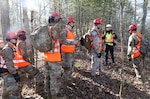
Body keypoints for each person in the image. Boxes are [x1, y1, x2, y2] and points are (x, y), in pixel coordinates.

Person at [16, 29, 44, 97]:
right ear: (21, 36)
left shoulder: (17, 42)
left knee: (21, 81)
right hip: (24, 64)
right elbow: (24, 54)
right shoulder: (22, 43)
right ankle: (39, 91)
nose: (25, 36)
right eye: (24, 35)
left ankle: (18, 95)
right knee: (38, 73)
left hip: (19, 66)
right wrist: (29, 62)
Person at [44, 12, 66, 99]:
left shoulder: (46, 29)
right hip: (54, 59)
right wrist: (60, 19)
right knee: (55, 79)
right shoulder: (54, 29)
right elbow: (63, 22)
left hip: (46, 58)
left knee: (48, 78)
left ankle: (48, 95)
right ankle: (54, 96)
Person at [0, 32, 20, 99]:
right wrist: (15, 74)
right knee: (14, 92)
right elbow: (9, 63)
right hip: (7, 72)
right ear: (10, 40)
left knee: (6, 92)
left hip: (7, 72)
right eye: (15, 39)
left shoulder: (11, 48)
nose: (16, 41)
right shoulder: (8, 49)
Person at [60, 16, 78, 86]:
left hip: (71, 53)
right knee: (67, 68)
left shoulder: (70, 31)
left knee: (71, 68)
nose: (73, 24)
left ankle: (68, 81)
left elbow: (70, 41)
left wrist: (75, 43)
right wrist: (73, 42)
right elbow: (62, 41)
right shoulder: (64, 31)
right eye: (72, 22)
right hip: (66, 53)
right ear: (69, 23)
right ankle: (63, 83)